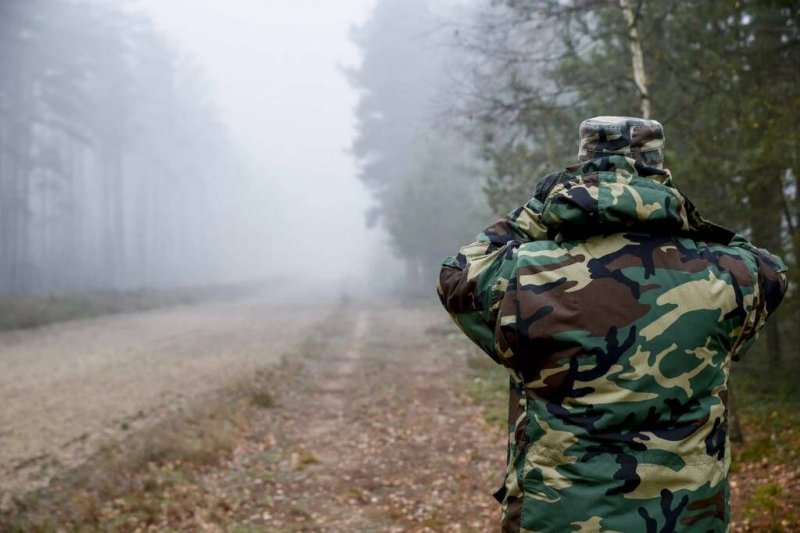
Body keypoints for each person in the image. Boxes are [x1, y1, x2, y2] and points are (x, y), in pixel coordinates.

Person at [437, 116, 788, 532]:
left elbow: (457, 274)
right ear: (659, 169)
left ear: (582, 167)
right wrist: (677, 211)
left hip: (558, 518)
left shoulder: (525, 274)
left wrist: (538, 211)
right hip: (687, 520)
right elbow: (770, 269)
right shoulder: (727, 274)